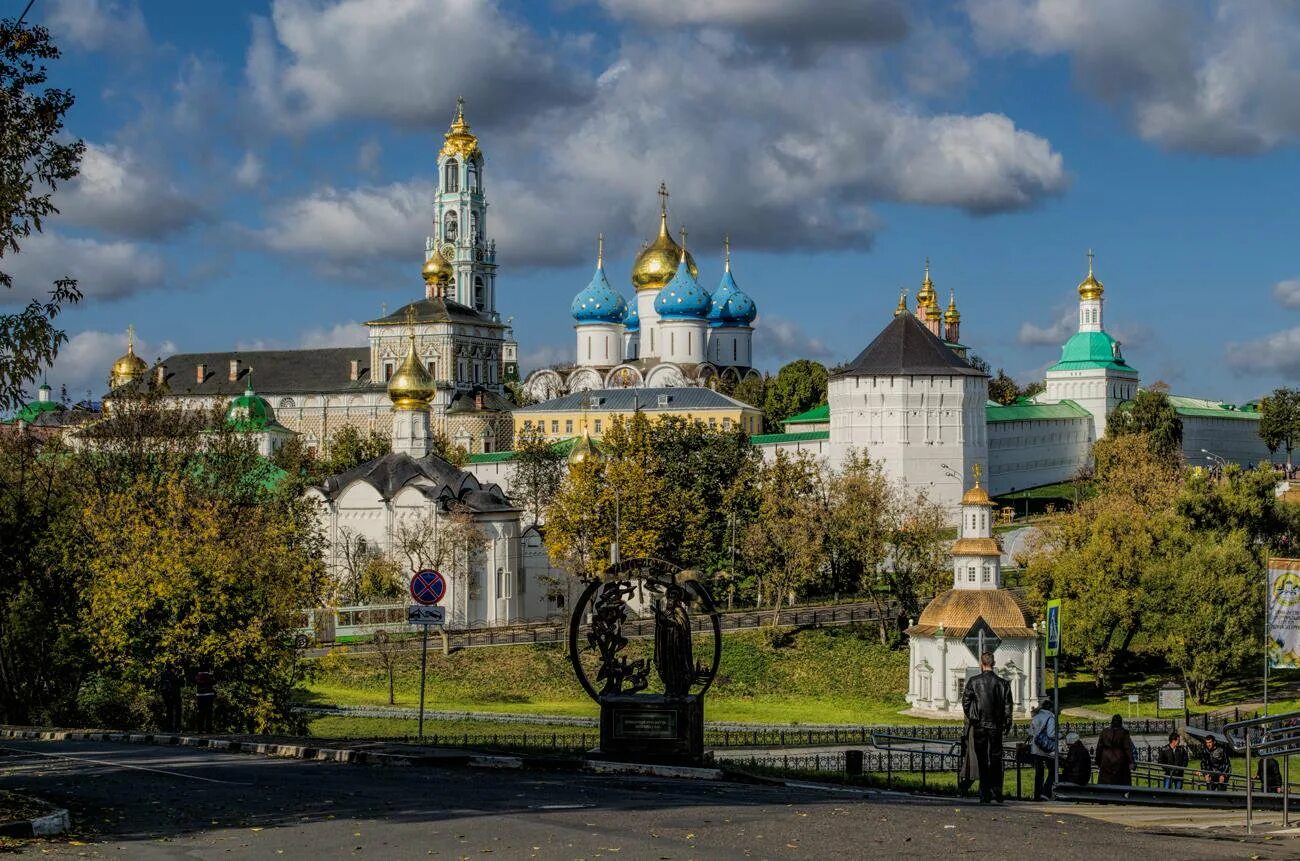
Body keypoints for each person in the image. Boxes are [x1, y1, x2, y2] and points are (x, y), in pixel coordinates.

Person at [961, 651, 1013, 804]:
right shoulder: (1002, 684)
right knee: (996, 758)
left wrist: (974, 717)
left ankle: (984, 794)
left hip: (980, 726)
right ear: (994, 663)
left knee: (982, 759)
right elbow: (1008, 706)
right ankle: (996, 790)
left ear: (981, 664)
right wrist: (1007, 723)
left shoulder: (974, 682)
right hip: (996, 726)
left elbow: (966, 702)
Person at [1028, 701, 1058, 800]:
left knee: (1039, 773)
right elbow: (1051, 734)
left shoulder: (1036, 717)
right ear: (1051, 708)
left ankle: (1037, 795)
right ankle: (1046, 792)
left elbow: (1030, 732)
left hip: (1036, 749)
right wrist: (1061, 735)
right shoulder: (1050, 717)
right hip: (1047, 749)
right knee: (1053, 771)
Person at [1095, 714, 1134, 786]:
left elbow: (1099, 747)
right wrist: (1131, 761)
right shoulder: (1124, 732)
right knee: (1120, 785)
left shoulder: (1104, 732)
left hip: (1106, 760)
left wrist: (1098, 761)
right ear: (1121, 722)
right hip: (1120, 761)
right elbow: (1127, 748)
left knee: (1105, 784)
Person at [159, 665, 182, 734]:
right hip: (173, 696)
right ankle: (175, 727)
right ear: (172, 669)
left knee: (169, 711)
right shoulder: (172, 676)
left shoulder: (163, 675)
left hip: (166, 696)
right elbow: (177, 684)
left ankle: (168, 727)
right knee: (176, 712)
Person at [194, 663, 216, 733]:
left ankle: (200, 729)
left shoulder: (198, 676)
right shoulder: (209, 676)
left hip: (200, 695)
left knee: (201, 712)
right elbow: (214, 682)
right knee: (209, 712)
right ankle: (208, 729)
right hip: (209, 695)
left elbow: (196, 681)